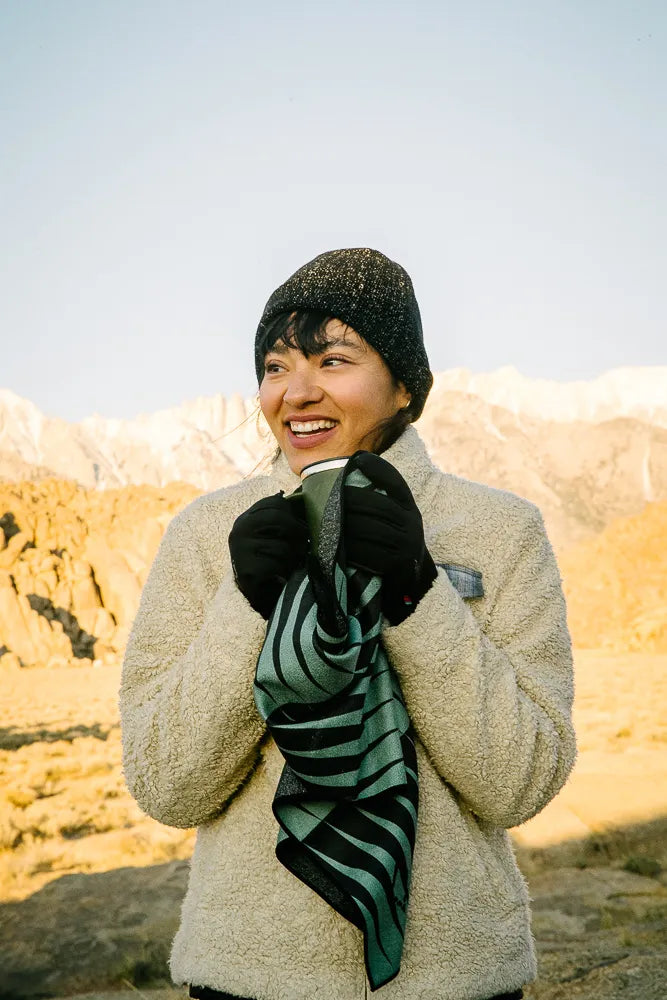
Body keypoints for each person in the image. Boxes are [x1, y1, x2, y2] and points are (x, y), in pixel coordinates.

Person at [120, 248, 576, 1000]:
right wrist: (245, 605)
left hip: (456, 980)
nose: (294, 392)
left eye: (332, 360)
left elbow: (519, 784)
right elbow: (166, 786)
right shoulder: (205, 535)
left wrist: (416, 594)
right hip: (247, 977)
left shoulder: (500, 530)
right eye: (274, 366)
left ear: (403, 384)